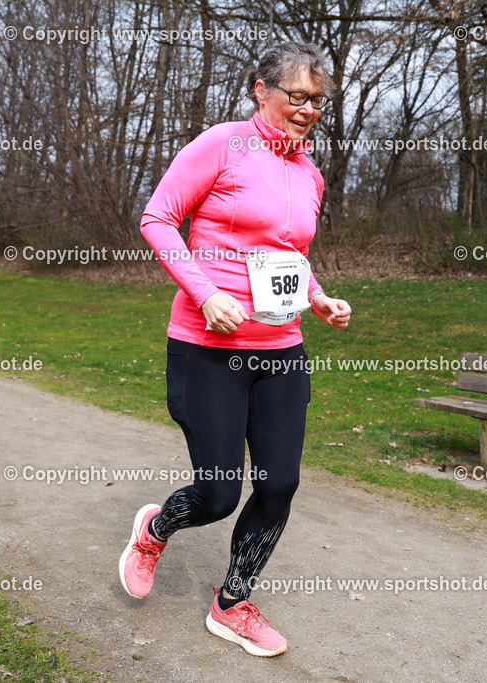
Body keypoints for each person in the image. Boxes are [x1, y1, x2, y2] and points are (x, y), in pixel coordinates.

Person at [119, 42, 351, 657]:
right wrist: (204, 294)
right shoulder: (220, 144)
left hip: (280, 349)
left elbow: (289, 257)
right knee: (219, 493)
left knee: (278, 485)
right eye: (296, 96)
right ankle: (154, 528)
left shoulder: (310, 174)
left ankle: (234, 602)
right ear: (261, 89)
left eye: (316, 102)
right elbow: (158, 219)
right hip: (208, 347)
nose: (306, 110)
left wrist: (319, 297)